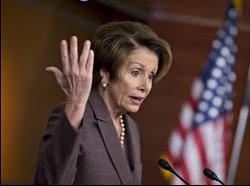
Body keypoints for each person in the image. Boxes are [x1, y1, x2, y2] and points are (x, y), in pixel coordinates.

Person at [34, 21, 172, 185]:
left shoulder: (131, 128)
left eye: (150, 75)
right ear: (106, 73)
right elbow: (50, 181)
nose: (145, 86)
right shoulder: (74, 115)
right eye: (136, 73)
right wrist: (76, 104)